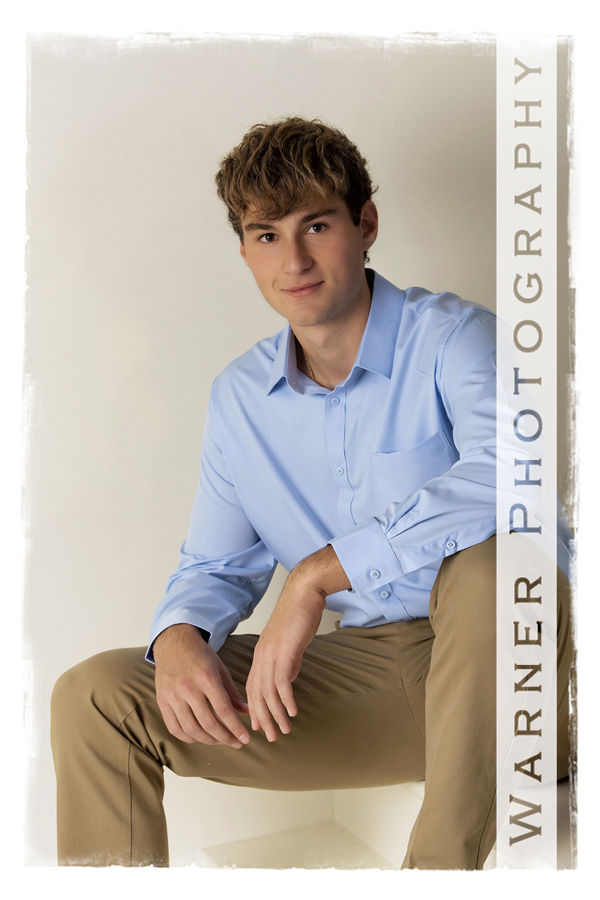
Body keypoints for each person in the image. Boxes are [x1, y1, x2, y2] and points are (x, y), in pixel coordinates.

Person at [51, 116, 574, 870]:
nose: (292, 259)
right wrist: (176, 640)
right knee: (93, 697)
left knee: (496, 563)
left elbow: (512, 475)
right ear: (243, 251)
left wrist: (317, 574)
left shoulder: (458, 338)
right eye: (266, 236)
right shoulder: (240, 398)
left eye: (316, 225)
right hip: (380, 678)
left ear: (364, 225)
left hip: (524, 675)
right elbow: (213, 567)